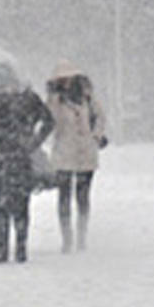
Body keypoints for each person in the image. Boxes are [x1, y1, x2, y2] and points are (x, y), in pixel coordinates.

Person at [0, 64, 54, 263]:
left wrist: (32, 143)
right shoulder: (22, 98)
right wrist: (33, 142)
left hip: (10, 158)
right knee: (13, 204)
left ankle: (8, 248)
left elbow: (48, 121)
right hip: (10, 158)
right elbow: (48, 122)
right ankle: (12, 248)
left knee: (8, 204)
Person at [45, 61, 107, 253]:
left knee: (83, 197)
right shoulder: (54, 101)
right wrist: (54, 100)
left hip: (86, 152)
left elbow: (100, 118)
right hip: (64, 152)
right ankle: (67, 238)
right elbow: (50, 121)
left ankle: (82, 236)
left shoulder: (89, 98)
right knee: (64, 196)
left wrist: (96, 136)